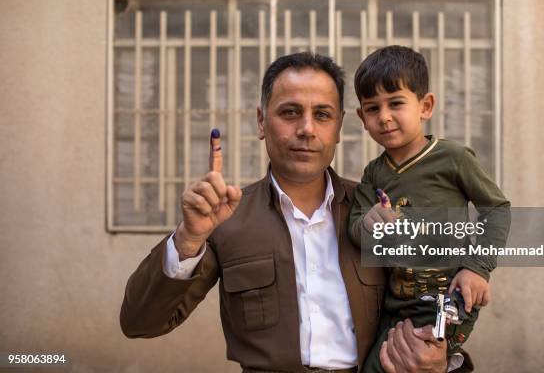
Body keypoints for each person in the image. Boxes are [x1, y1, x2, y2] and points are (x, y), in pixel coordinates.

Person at [120, 52, 458, 373]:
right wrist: (189, 237)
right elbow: (139, 323)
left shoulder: (378, 211)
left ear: (339, 128)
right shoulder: (227, 218)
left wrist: (439, 357)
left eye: (322, 115)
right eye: (290, 112)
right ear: (261, 121)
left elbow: (436, 298)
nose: (307, 129)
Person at [348, 46, 511, 372]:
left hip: (449, 296)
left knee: (405, 364)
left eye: (395, 103)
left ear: (425, 106)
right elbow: (354, 228)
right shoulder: (373, 174)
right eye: (372, 108)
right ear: (362, 119)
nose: (384, 116)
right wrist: (368, 223)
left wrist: (478, 267)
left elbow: (496, 208)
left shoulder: (453, 158)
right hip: (396, 304)